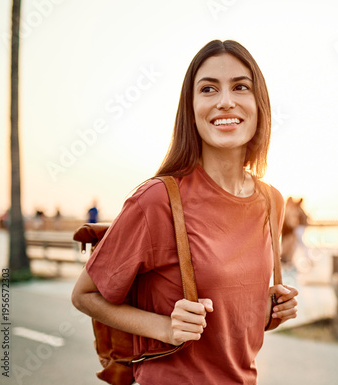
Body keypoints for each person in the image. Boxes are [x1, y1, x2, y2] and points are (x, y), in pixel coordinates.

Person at [72, 40, 298, 385]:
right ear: (191, 108)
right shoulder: (156, 200)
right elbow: (85, 295)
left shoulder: (272, 201)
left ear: (259, 104)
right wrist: (165, 326)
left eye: (240, 86)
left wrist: (268, 310)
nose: (225, 100)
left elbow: (232, 309)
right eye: (208, 89)